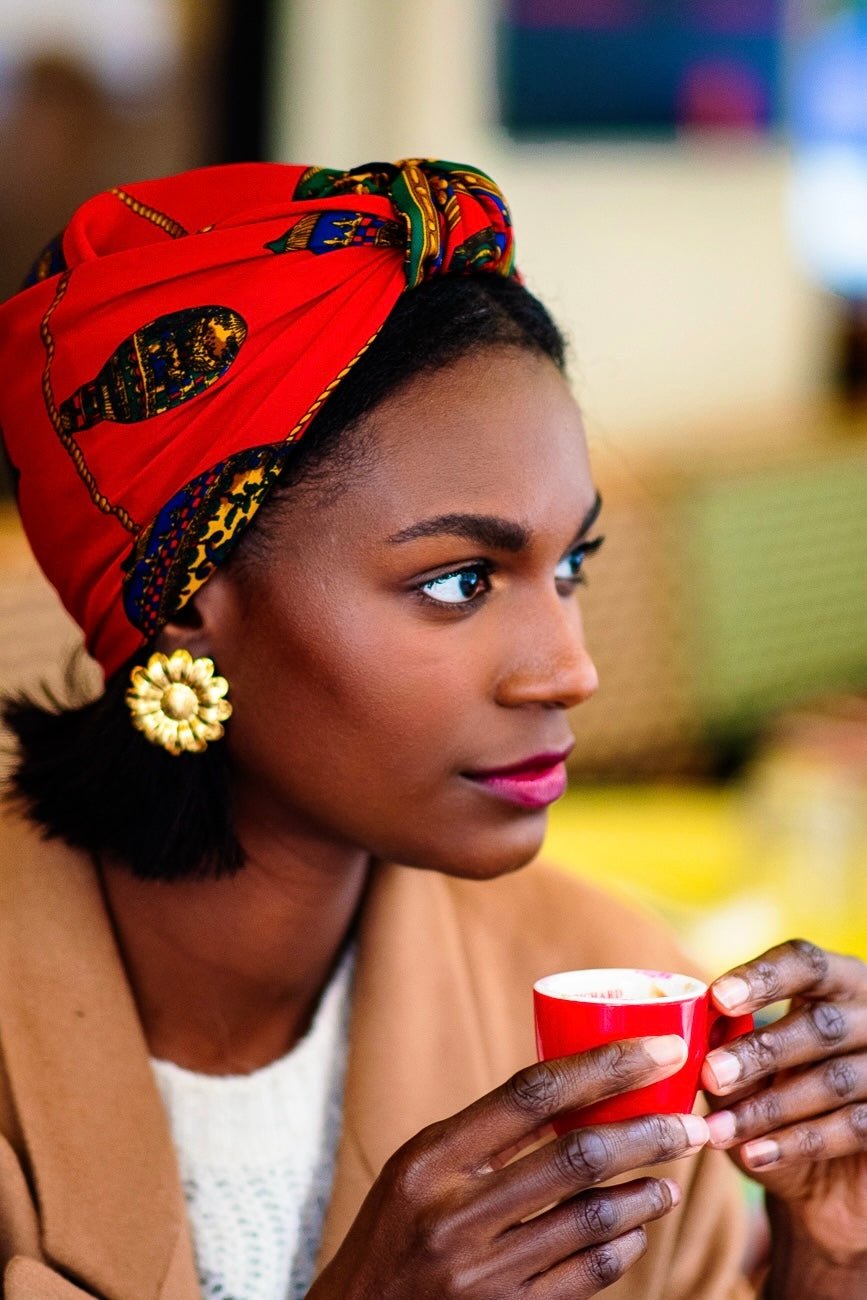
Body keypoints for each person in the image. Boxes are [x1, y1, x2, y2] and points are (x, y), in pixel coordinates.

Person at [0, 159, 864, 1300]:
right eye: (460, 580)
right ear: (190, 607)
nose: (573, 669)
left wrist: (832, 1255)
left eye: (573, 566)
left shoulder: (613, 1004)